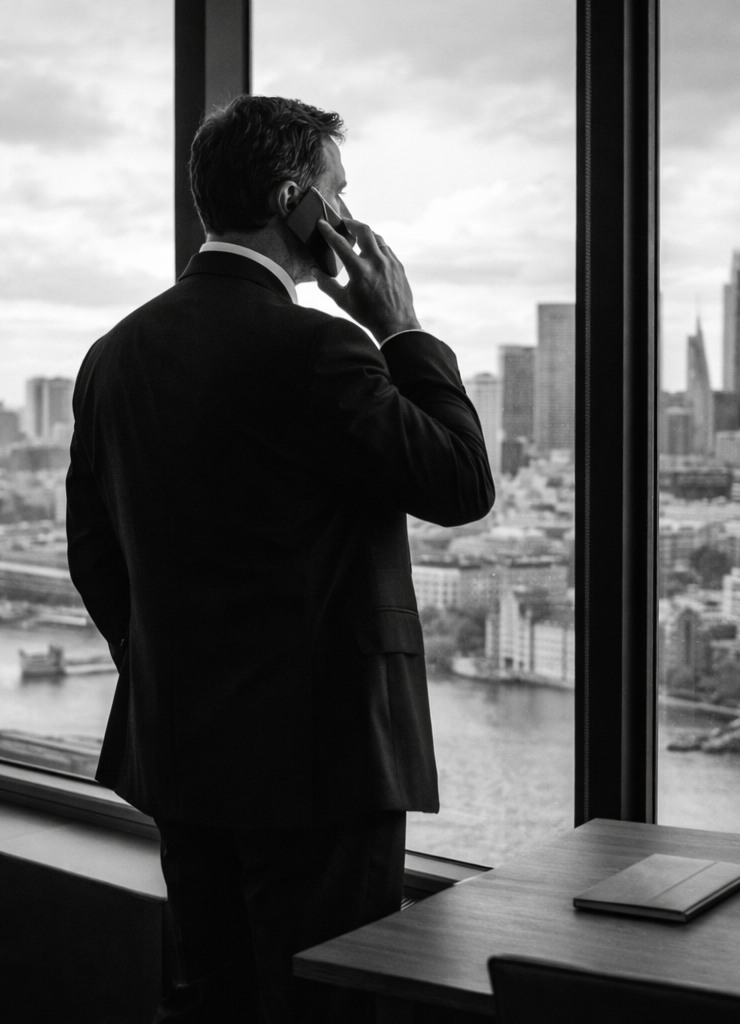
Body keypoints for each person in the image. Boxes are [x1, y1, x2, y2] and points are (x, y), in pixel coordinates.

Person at [66, 94, 494, 1022]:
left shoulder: (113, 354)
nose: (346, 218)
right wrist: (402, 326)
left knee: (214, 1000)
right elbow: (462, 482)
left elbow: (92, 554)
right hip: (322, 771)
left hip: (180, 756)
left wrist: (163, 670)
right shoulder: (322, 349)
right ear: (295, 197)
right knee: (322, 1007)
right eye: (336, 194)